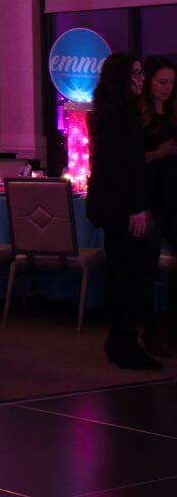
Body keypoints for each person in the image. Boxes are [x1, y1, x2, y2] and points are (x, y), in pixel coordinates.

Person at [87, 53, 161, 370]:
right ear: (121, 77)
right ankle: (123, 341)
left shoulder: (112, 111)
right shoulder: (117, 115)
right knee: (127, 274)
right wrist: (137, 206)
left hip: (114, 204)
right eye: (136, 73)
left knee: (124, 273)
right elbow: (122, 166)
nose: (142, 79)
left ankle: (121, 340)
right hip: (122, 206)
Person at [139, 55, 177, 355]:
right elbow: (130, 161)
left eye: (171, 83)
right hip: (151, 198)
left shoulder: (172, 115)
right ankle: (150, 331)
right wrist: (159, 153)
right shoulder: (141, 119)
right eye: (162, 82)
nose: (167, 88)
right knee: (147, 267)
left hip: (172, 197)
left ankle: (170, 328)